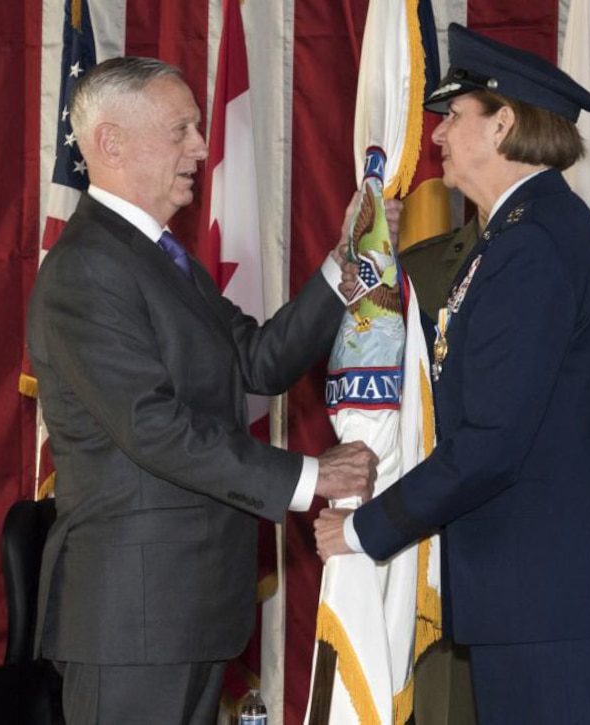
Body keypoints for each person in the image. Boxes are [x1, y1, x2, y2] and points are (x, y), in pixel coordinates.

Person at [314, 23, 590, 723]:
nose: (437, 135)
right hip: (543, 599)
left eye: (453, 117)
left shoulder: (529, 246)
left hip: (557, 608)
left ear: (503, 124)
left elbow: (492, 440)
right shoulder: (520, 234)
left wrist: (363, 529)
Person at [26, 57, 378, 725]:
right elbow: (152, 425)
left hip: (181, 612)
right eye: (181, 128)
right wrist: (309, 474)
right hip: (133, 620)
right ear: (110, 142)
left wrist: (346, 264)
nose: (201, 146)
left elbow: (257, 360)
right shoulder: (90, 267)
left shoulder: (157, 257)